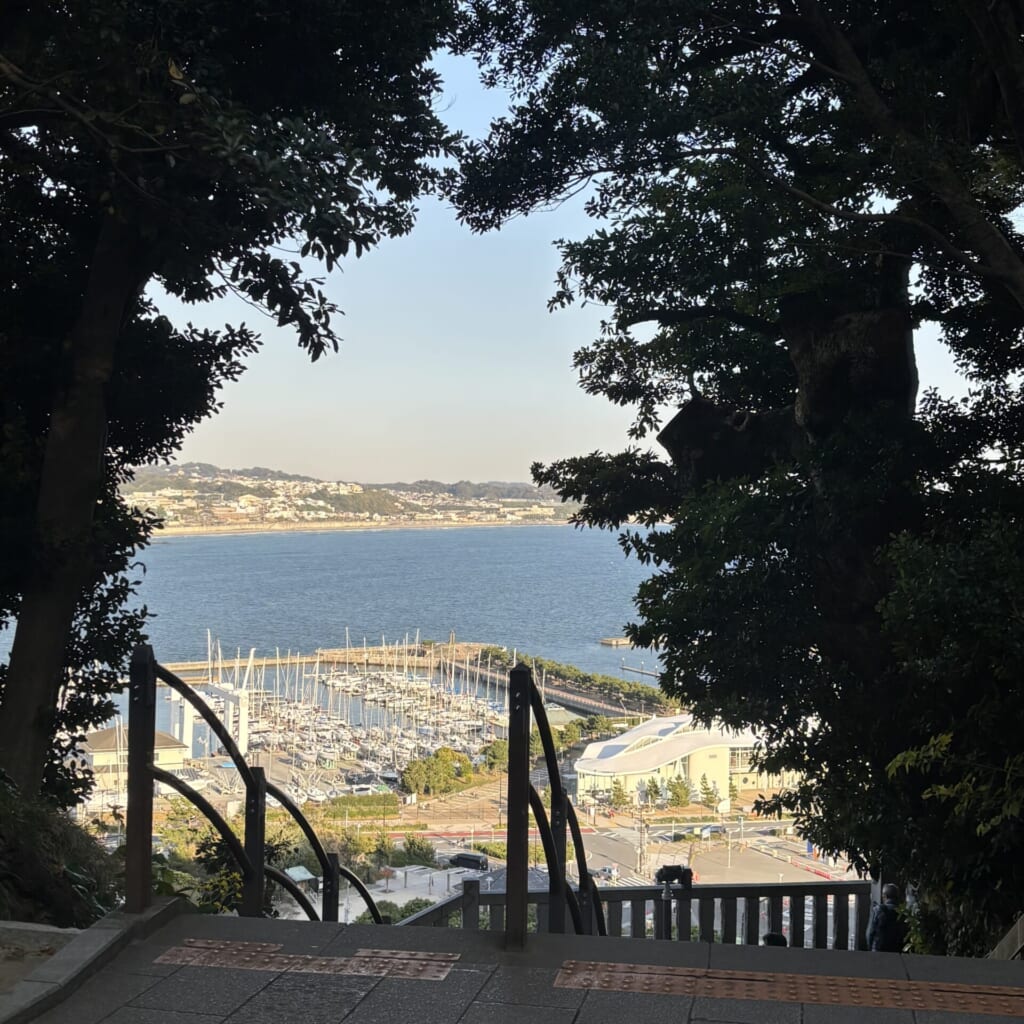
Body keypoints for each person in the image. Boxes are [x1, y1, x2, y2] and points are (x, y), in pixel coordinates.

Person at [866, 883, 907, 952]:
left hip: (879, 949)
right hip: (896, 950)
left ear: (885, 896)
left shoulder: (878, 910)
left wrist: (870, 948)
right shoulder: (903, 913)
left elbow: (870, 933)